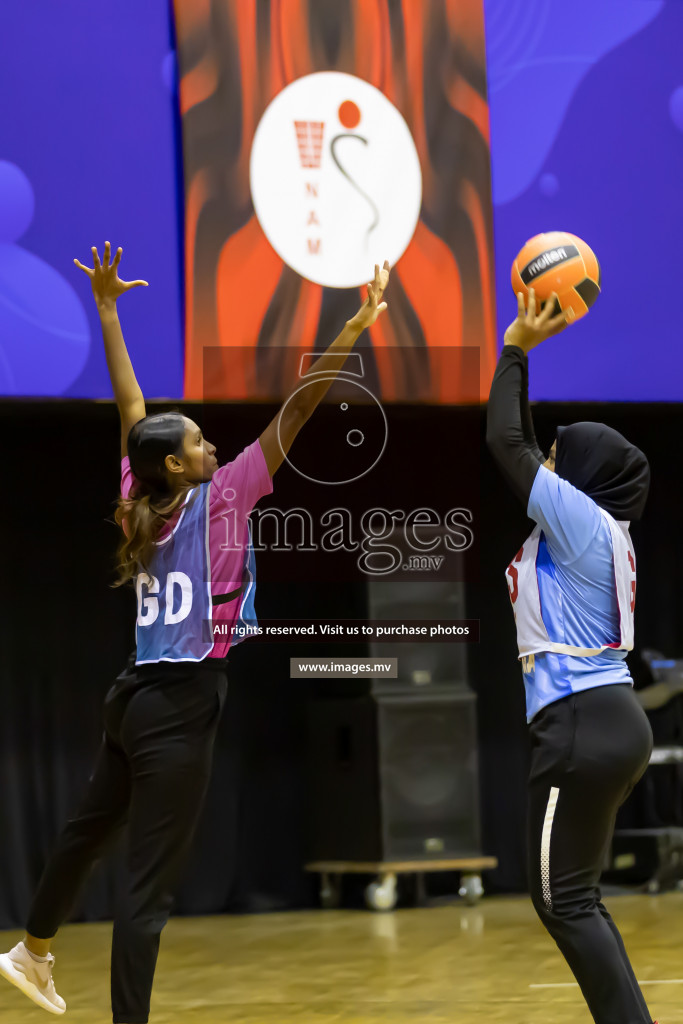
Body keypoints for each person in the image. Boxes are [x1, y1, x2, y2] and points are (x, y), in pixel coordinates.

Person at [0, 242, 390, 1024]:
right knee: (147, 890)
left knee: (85, 835)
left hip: (131, 696)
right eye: (200, 444)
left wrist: (107, 311)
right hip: (179, 702)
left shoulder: (140, 489)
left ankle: (30, 949)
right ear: (178, 468)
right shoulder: (225, 495)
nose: (214, 447)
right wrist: (354, 327)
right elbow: (302, 406)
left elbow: (130, 408)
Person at [486, 288, 657, 1024]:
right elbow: (522, 448)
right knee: (575, 900)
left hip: (582, 726)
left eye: (561, 455)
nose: (547, 461)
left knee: (563, 902)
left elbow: (506, 445)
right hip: (607, 723)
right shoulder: (596, 526)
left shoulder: (582, 520)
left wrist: (515, 346)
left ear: (582, 473)